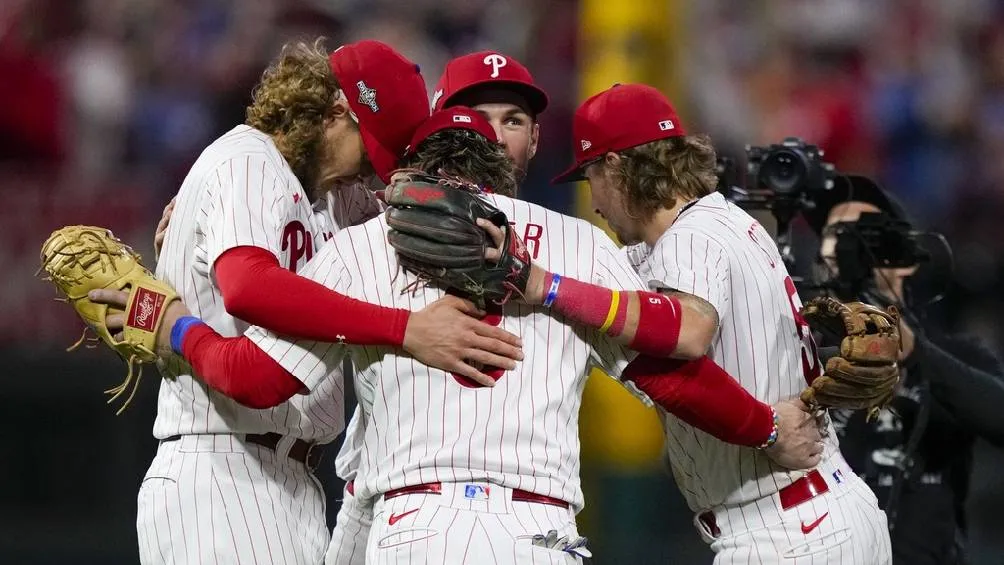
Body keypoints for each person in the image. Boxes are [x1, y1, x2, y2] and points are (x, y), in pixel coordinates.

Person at [121, 106, 826, 564]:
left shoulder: (362, 246)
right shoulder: (579, 246)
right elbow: (672, 376)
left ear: (413, 169)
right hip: (542, 535)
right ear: (498, 166)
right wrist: (766, 425)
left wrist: (173, 321)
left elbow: (258, 378)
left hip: (414, 527)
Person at [102, 39, 523, 565]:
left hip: (295, 482)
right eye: (370, 148)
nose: (373, 168)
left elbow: (419, 230)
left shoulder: (331, 196)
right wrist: (404, 329)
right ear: (333, 112)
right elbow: (248, 287)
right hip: (221, 469)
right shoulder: (246, 159)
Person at [552, 83, 892, 564]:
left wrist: (544, 287)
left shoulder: (689, 240)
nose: (596, 202)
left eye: (590, 177)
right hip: (823, 510)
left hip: (786, 529)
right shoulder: (726, 220)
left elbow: (688, 332)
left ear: (615, 167)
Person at [326, 48, 550, 565]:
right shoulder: (367, 222)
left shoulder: (577, 248)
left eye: (512, 119)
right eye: (477, 116)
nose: (492, 133)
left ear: (536, 138)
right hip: (381, 497)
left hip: (519, 504)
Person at [804, 175, 1004, 565]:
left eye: (864, 235)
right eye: (836, 234)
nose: (847, 247)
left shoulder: (955, 353)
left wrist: (913, 352)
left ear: (904, 256)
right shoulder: (802, 354)